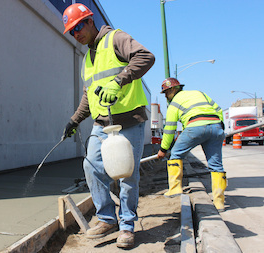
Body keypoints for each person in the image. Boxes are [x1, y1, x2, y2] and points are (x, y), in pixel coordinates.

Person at [61, 3, 155, 248]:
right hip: (102, 124)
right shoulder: (87, 58)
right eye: (71, 31)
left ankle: (126, 226)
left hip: (129, 121)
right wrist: (74, 120)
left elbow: (146, 56)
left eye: (78, 27)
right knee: (91, 166)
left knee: (126, 175)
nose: (76, 34)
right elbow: (88, 96)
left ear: (90, 21)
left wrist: (119, 80)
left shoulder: (115, 38)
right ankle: (106, 218)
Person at [157, 77, 227, 211]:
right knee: (216, 165)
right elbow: (218, 109)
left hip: (195, 127)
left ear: (172, 90)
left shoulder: (174, 104)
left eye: (166, 92)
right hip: (216, 127)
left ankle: (174, 188)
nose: (166, 96)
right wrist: (220, 126)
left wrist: (163, 149)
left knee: (176, 154)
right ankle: (219, 202)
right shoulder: (199, 93)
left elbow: (169, 129)